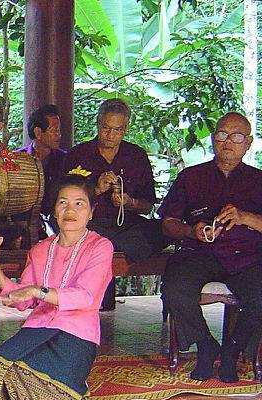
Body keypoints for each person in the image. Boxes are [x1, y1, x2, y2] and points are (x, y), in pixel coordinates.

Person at [0, 174, 114, 400]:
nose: (70, 210)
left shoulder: (100, 246)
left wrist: (35, 291)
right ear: (54, 209)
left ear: (91, 212)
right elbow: (24, 298)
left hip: (76, 333)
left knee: (54, 392)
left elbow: (85, 297)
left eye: (79, 203)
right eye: (63, 203)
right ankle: (29, 393)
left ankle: (67, 389)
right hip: (37, 330)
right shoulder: (40, 250)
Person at [159, 112, 262, 383]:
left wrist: (246, 217)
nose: (228, 141)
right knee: (174, 288)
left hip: (246, 257)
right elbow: (167, 223)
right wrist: (192, 231)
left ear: (248, 142)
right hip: (199, 253)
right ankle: (205, 345)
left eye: (237, 136)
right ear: (213, 139)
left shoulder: (258, 180)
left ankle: (232, 350)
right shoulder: (191, 177)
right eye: (222, 134)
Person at [61, 98, 166, 261]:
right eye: (106, 128)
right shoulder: (77, 155)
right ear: (98, 124)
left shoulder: (136, 156)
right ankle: (105, 246)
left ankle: (108, 246)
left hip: (126, 229)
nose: (110, 135)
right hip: (90, 226)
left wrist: (130, 202)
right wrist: (95, 190)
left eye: (117, 130)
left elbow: (147, 207)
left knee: (162, 228)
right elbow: (60, 203)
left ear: (125, 129)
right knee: (78, 232)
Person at [16, 104, 67, 219]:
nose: (59, 135)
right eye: (54, 130)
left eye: (59, 130)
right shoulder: (19, 159)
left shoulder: (64, 159)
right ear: (38, 132)